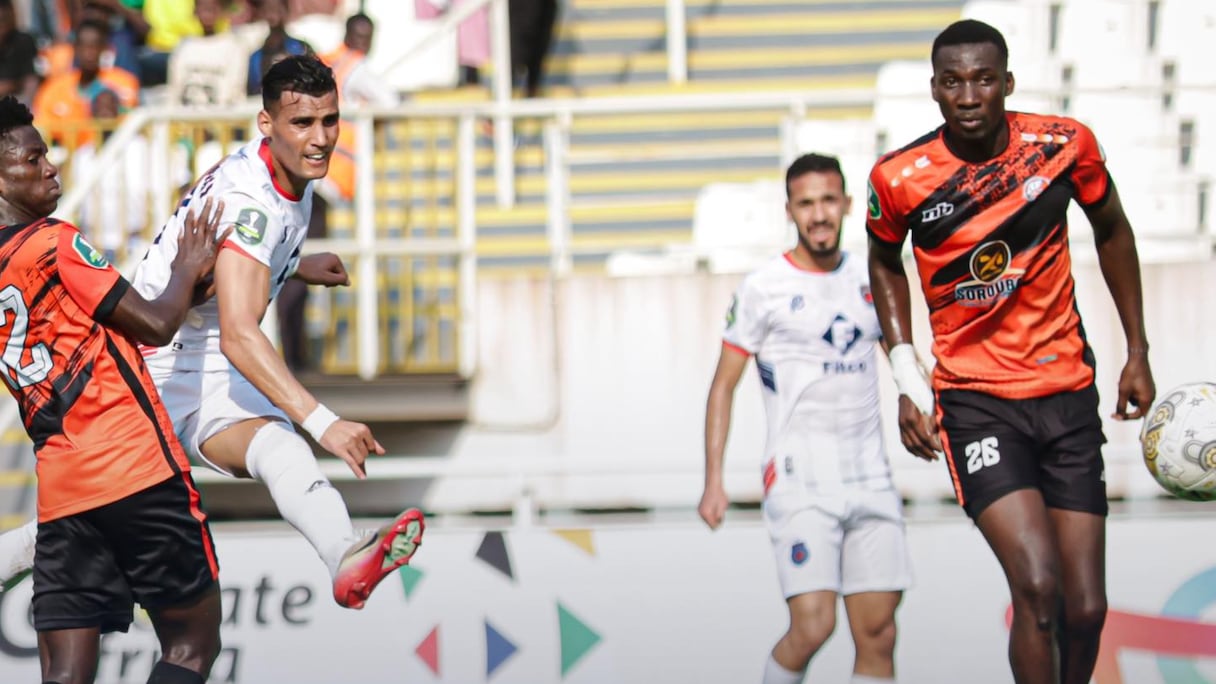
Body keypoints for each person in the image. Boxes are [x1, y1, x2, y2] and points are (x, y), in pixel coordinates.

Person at [0, 55, 425, 610]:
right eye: (302, 123)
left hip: (190, 366)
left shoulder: (274, 171)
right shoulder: (253, 202)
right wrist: (327, 422)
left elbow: (236, 256)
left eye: (329, 120)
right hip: (154, 375)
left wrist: (290, 265)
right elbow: (239, 335)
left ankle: (344, 556)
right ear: (266, 124)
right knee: (91, 533)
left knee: (274, 449)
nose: (320, 138)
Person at [865, 19, 1155, 684]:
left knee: (1086, 609)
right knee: (1038, 587)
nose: (969, 96)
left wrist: (1137, 349)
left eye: (983, 80)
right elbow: (882, 261)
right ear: (933, 89)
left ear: (1009, 83)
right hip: (977, 404)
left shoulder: (1062, 146)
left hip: (1066, 394)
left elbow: (1113, 229)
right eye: (953, 81)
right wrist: (907, 376)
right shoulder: (900, 177)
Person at [0, 94, 227, 684]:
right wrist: (187, 264)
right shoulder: (52, 242)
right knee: (192, 643)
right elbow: (155, 323)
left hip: (62, 491)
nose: (51, 167)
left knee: (65, 673)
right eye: (32, 159)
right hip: (137, 470)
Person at [700, 153, 912, 684]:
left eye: (828, 200)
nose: (819, 215)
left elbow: (903, 361)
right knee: (813, 625)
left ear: (846, 204)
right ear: (790, 210)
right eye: (806, 203)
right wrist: (714, 480)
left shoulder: (871, 276)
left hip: (870, 473)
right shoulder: (764, 287)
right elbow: (723, 385)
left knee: (879, 633)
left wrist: (928, 408)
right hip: (800, 479)